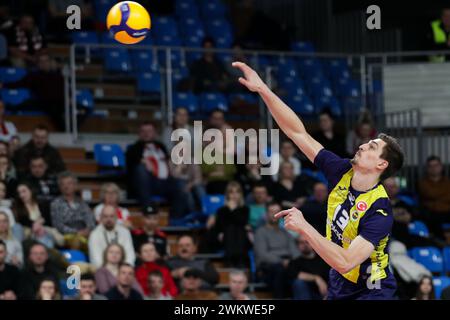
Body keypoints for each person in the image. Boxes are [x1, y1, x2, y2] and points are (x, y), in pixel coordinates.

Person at [233, 61, 404, 300]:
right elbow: (297, 132)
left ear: (381, 165)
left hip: (372, 292)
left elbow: (346, 262)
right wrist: (263, 89)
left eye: (372, 147)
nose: (363, 145)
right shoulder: (342, 170)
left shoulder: (379, 210)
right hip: (339, 285)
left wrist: (303, 227)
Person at [125, 122, 188, 220]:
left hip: (165, 182)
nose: (146, 134)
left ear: (155, 133)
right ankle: (147, 208)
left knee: (180, 184)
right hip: (148, 183)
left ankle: (176, 218)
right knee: (140, 169)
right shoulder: (134, 148)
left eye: (149, 131)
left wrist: (174, 170)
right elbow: (131, 161)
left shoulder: (161, 146)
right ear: (139, 134)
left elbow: (168, 161)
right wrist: (144, 161)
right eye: (143, 131)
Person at [2, 54, 65, 130]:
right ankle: (64, 130)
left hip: (62, 102)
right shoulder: (34, 76)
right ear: (38, 64)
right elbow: (18, 83)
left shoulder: (58, 76)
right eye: (41, 61)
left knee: (81, 110)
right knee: (53, 109)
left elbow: (67, 89)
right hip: (44, 102)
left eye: (46, 61)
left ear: (50, 62)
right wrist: (4, 85)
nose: (44, 63)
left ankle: (70, 129)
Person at [254, 202, 299, 299]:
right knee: (279, 270)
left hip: (288, 265)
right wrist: (282, 262)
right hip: (268, 268)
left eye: (277, 212)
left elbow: (295, 253)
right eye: (271, 212)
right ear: (266, 214)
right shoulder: (260, 232)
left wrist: (291, 262)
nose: (275, 215)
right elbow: (263, 255)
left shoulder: (286, 233)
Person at [209, 181, 252, 267]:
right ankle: (233, 261)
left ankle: (236, 260)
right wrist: (230, 210)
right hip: (226, 238)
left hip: (241, 238)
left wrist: (232, 209)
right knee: (230, 228)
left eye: (237, 192)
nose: (234, 195)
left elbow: (242, 221)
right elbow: (220, 225)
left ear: (241, 194)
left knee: (238, 228)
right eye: (231, 192)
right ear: (227, 194)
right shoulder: (221, 210)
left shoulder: (245, 209)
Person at [50, 172, 95, 251]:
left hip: (84, 234)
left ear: (75, 185)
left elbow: (90, 219)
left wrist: (88, 230)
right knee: (76, 241)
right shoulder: (55, 204)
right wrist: (77, 233)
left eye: (69, 183)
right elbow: (58, 225)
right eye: (63, 184)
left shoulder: (82, 203)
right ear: (60, 187)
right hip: (67, 235)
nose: (66, 186)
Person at [287, 235, 330, 300]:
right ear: (298, 245)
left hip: (324, 294)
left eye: (307, 242)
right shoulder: (294, 262)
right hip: (305, 294)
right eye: (301, 242)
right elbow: (296, 274)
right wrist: (317, 278)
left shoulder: (324, 260)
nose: (305, 245)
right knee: (298, 283)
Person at [418, 155, 450, 238]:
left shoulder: (447, 181)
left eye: (436, 165)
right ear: (427, 168)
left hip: (447, 212)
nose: (433, 168)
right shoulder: (422, 183)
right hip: (430, 213)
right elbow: (430, 193)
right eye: (430, 166)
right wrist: (443, 195)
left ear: (441, 167)